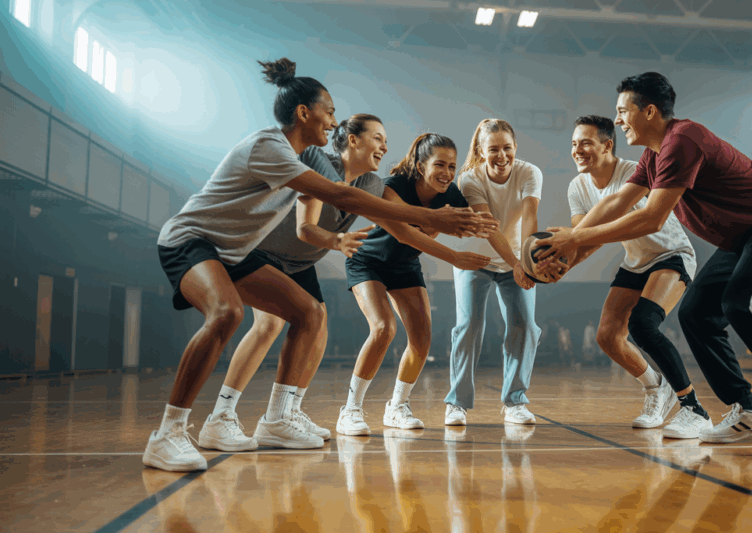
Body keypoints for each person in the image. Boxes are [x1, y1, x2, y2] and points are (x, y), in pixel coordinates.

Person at [146, 58, 496, 472]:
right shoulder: (273, 148)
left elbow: (386, 217)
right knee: (229, 314)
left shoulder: (308, 159)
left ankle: (277, 419)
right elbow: (337, 201)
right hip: (192, 239)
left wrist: (444, 233)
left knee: (309, 314)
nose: (333, 120)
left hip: (232, 252)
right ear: (304, 113)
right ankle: (169, 433)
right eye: (329, 112)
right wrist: (434, 220)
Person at [537, 72, 752, 454]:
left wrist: (575, 237)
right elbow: (615, 203)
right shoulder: (654, 154)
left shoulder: (683, 140)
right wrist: (566, 244)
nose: (618, 120)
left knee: (745, 305)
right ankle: (747, 411)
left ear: (649, 111)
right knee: (697, 314)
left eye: (622, 111)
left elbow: (650, 217)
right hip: (741, 240)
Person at [196, 114, 387, 451]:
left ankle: (288, 411)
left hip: (302, 261)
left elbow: (397, 215)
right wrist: (337, 241)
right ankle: (221, 417)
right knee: (268, 325)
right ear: (353, 140)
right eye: (377, 138)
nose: (384, 146)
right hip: (266, 248)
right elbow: (305, 227)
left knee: (318, 324)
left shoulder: (371, 183)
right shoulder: (315, 165)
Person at [552, 114, 709, 439]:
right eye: (573, 144)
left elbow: (583, 232)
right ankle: (656, 389)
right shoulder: (577, 187)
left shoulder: (635, 173)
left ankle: (693, 408)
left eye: (585, 143)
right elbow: (585, 239)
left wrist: (570, 242)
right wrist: (556, 268)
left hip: (671, 254)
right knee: (607, 338)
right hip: (636, 261)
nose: (577, 150)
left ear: (608, 144)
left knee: (643, 324)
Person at [335, 133, 492, 435]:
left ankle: (397, 407)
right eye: (439, 165)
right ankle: (351, 409)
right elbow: (405, 233)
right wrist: (454, 256)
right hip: (367, 261)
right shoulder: (393, 187)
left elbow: (481, 223)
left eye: (452, 166)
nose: (447, 173)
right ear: (420, 166)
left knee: (422, 341)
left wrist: (516, 255)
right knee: (383, 328)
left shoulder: (452, 195)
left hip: (405, 266)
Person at [444, 119, 543, 427]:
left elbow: (530, 217)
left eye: (507, 148)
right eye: (493, 149)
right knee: (469, 325)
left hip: (515, 259)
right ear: (481, 151)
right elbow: (488, 227)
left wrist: (526, 263)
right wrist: (516, 263)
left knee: (525, 326)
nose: (501, 156)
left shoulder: (529, 172)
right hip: (476, 259)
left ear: (516, 148)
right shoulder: (469, 179)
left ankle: (514, 402)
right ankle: (456, 404)